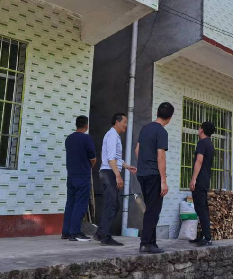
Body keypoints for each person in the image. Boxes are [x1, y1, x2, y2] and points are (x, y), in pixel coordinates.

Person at [136, 102, 174, 254]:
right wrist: (163, 181)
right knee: (153, 210)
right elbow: (161, 157)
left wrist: (143, 165)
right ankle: (146, 243)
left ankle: (152, 242)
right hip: (154, 175)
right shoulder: (162, 132)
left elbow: (137, 150)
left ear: (157, 113)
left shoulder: (145, 128)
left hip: (142, 174)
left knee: (150, 208)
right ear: (170, 118)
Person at [95, 113, 137, 246]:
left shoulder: (114, 136)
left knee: (114, 204)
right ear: (117, 122)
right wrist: (118, 176)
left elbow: (117, 159)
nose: (126, 125)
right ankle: (105, 237)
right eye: (125, 122)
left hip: (110, 171)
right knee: (111, 205)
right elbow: (111, 159)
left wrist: (126, 166)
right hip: (109, 173)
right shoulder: (112, 136)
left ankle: (100, 233)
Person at [62, 116, 96, 242]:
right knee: (80, 204)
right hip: (83, 176)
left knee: (70, 203)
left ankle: (66, 232)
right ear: (86, 126)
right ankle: (75, 232)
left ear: (76, 125)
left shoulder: (69, 139)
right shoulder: (87, 139)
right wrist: (89, 166)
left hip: (71, 175)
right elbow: (93, 158)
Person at [189, 121, 216, 247]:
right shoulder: (210, 144)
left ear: (202, 130)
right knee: (201, 208)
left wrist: (194, 179)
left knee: (201, 208)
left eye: (199, 128)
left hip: (200, 180)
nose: (198, 129)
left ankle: (207, 237)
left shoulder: (202, 143)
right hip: (205, 179)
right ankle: (203, 235)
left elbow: (199, 161)